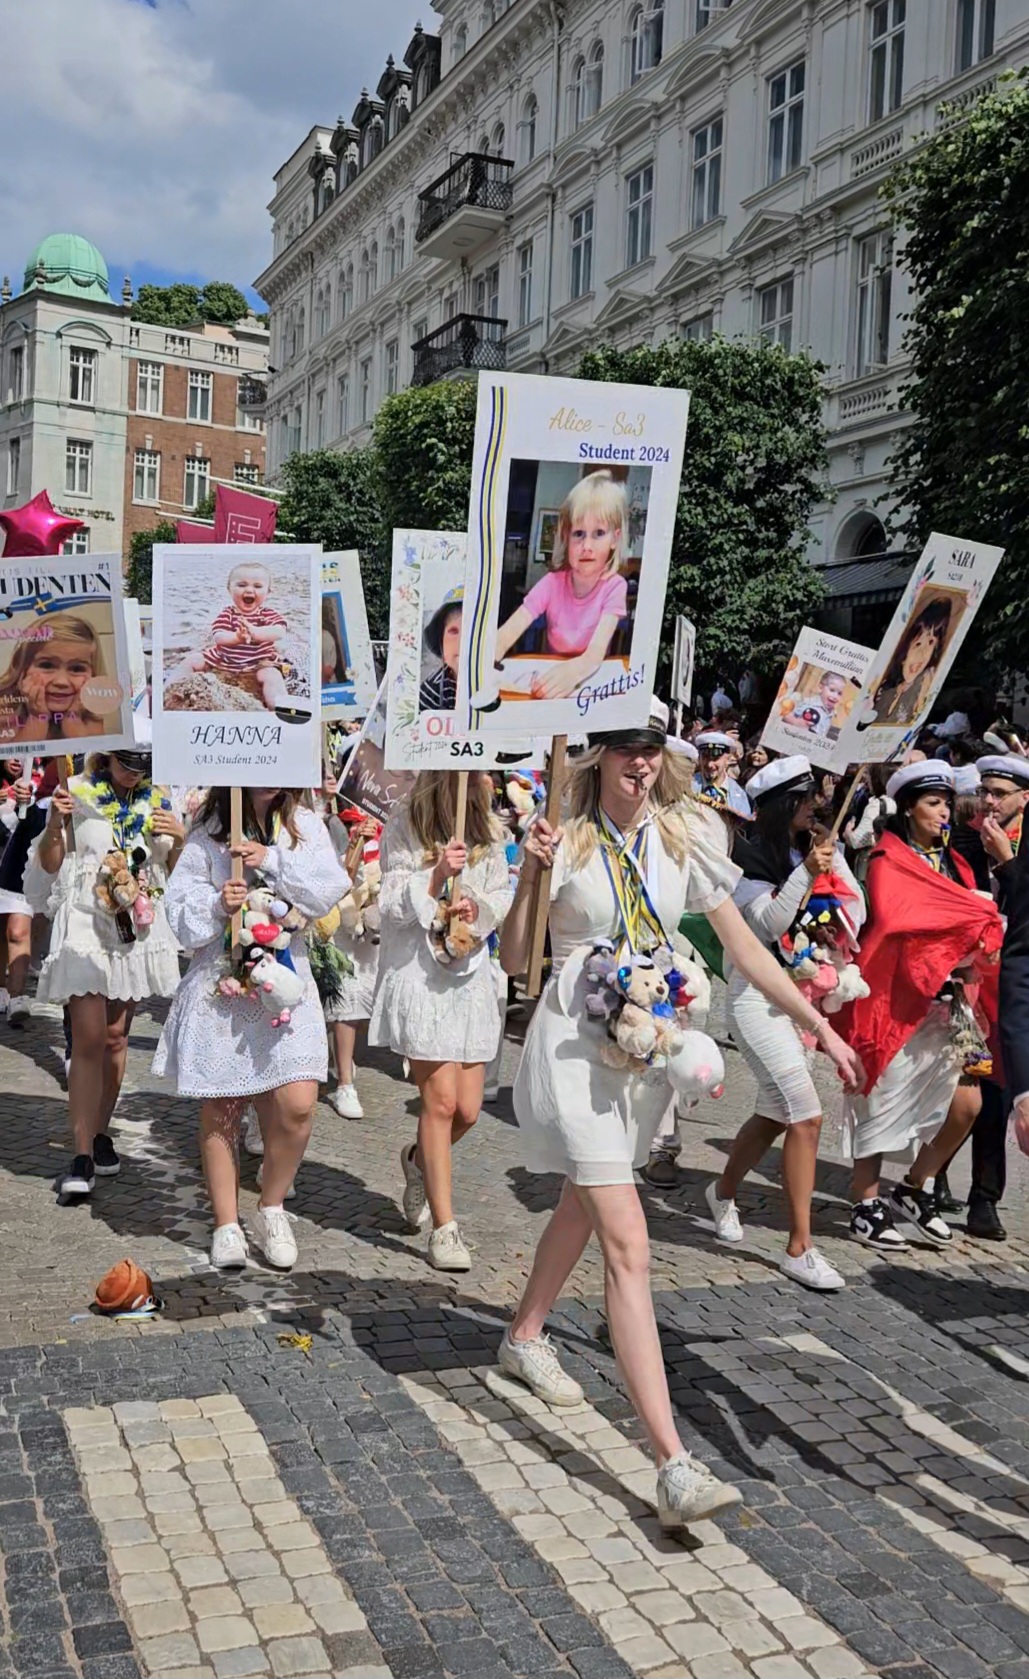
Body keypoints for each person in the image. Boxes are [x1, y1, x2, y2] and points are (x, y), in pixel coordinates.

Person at [497, 705, 862, 1530]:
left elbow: (742, 944)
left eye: (649, 748)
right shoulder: (563, 834)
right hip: (570, 1045)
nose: (637, 762)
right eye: (623, 749)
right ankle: (671, 1461)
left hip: (642, 1046)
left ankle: (522, 1334)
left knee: (585, 1201)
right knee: (627, 1236)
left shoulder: (679, 837)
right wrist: (529, 872)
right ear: (595, 756)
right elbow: (516, 957)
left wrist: (819, 1025)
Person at [155, 787, 350, 1270]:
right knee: (222, 1106)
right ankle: (226, 1222)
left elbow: (329, 887)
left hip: (284, 982)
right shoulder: (206, 830)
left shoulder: (303, 824)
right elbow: (180, 913)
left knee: (299, 1103)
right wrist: (220, 904)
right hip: (224, 984)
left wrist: (273, 858)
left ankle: (271, 1206)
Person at [707, 755, 864, 1291]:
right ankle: (800, 1246)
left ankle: (722, 1191)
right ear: (781, 807)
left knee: (775, 1113)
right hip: (753, 998)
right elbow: (765, 925)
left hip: (797, 997)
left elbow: (855, 914)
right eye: (803, 802)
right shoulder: (746, 856)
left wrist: (834, 864)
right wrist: (806, 873)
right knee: (806, 1115)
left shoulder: (814, 849)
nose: (813, 809)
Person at [837, 761, 1003, 1251]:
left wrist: (972, 942)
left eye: (947, 803)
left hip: (952, 1002)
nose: (943, 812)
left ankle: (913, 1187)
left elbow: (975, 913)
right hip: (898, 996)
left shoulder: (957, 862)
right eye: (933, 803)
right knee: (879, 1096)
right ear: (908, 807)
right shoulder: (887, 859)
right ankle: (864, 1202)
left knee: (969, 1103)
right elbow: (890, 922)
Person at [369, 770, 512, 1271]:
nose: (473, 781)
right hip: (420, 977)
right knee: (442, 1100)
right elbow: (388, 902)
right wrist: (432, 878)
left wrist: (479, 906)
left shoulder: (491, 829)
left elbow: (502, 893)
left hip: (469, 977)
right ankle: (445, 1229)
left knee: (469, 1110)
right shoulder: (404, 820)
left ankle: (416, 1162)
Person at [27, 749, 184, 1200]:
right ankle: (80, 1155)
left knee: (116, 1036)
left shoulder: (158, 800)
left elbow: (172, 870)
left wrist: (182, 839)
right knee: (90, 1036)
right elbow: (52, 863)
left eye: (144, 768)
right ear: (108, 756)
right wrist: (56, 824)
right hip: (85, 922)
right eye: (127, 764)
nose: (134, 774)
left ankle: (99, 1132)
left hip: (133, 928)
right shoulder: (76, 791)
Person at [493, 471, 628, 701]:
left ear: (614, 539)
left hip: (589, 683)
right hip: (551, 680)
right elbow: (507, 633)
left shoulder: (615, 586)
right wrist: (483, 660)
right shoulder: (551, 583)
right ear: (566, 536)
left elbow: (594, 655)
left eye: (599, 534)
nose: (586, 545)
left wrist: (573, 672)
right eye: (578, 534)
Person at [323, 807, 381, 1119]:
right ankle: (345, 1083)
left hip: (371, 921)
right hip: (339, 917)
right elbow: (337, 880)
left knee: (358, 1003)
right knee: (346, 995)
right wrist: (354, 845)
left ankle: (338, 1059)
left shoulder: (384, 816)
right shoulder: (324, 820)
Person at [170, 561, 289, 712]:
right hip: (223, 661)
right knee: (193, 660)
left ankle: (280, 708)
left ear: (268, 592)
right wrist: (237, 637)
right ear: (229, 589)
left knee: (272, 675)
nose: (249, 590)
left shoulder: (268, 615)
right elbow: (218, 636)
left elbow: (279, 631)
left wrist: (256, 632)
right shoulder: (228, 614)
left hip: (258, 662)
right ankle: (169, 688)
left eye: (257, 586)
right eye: (241, 585)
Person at [0, 616, 111, 743]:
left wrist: (73, 718)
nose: (61, 681)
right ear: (22, 669)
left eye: (76, 669)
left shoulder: (91, 716)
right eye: (47, 665)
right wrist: (37, 718)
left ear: (93, 674)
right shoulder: (5, 710)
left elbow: (92, 758)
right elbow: (11, 759)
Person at [0, 757, 48, 1025]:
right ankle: (2, 990)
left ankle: (17, 997)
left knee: (18, 930)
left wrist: (27, 803)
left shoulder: (49, 769)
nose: (16, 759)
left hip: (20, 860)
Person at [864, 599, 952, 728]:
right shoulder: (883, 688)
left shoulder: (926, 679)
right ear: (904, 653)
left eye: (931, 642)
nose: (922, 653)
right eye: (918, 644)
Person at [419, 588, 463, 711]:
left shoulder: (497, 682)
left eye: (472, 632)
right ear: (441, 646)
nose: (462, 640)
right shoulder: (432, 690)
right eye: (453, 631)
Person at [796, 670, 847, 737]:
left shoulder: (831, 712)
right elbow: (791, 716)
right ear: (820, 688)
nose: (835, 696)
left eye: (839, 693)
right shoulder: (810, 705)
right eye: (832, 690)